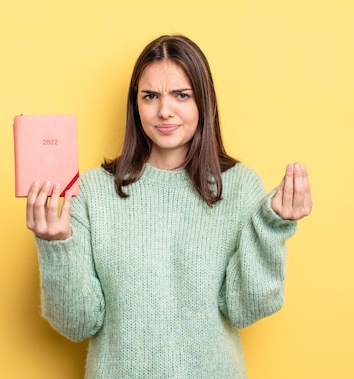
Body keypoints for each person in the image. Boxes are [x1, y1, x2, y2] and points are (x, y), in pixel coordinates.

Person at [26, 34, 312, 378]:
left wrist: (272, 226)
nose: (165, 110)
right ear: (135, 105)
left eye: (182, 95)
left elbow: (244, 309)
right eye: (150, 96)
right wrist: (57, 246)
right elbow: (77, 324)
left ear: (203, 103)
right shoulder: (91, 190)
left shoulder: (239, 186)